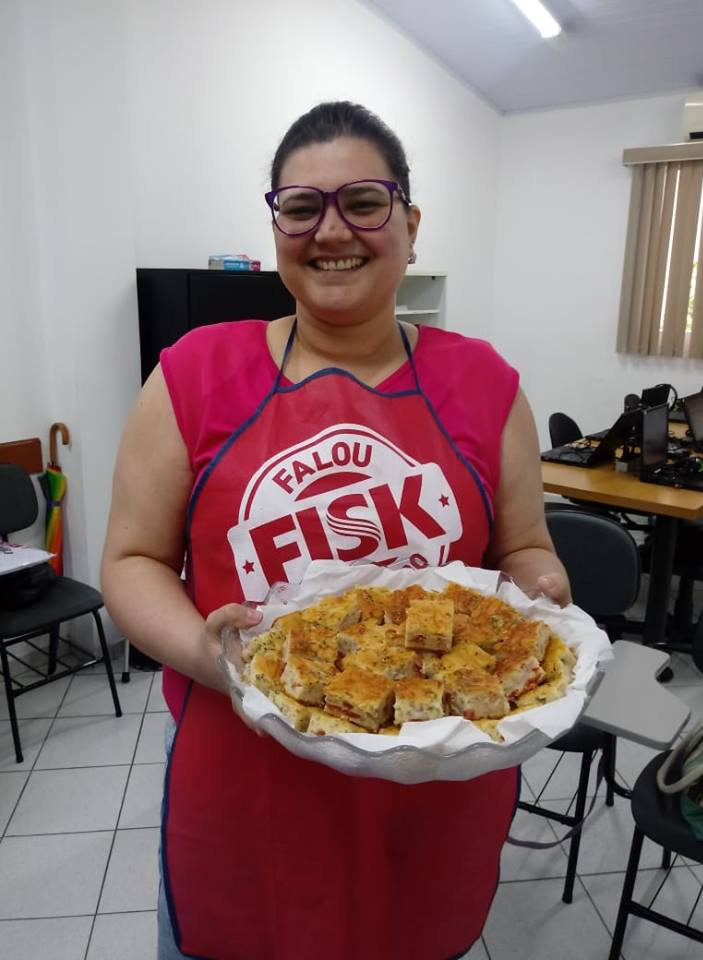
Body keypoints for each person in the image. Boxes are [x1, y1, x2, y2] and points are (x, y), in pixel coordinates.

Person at [102, 101, 570, 960]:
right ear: (275, 225)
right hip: (246, 774)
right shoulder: (195, 372)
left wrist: (541, 589)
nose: (331, 231)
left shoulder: (485, 383)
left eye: (363, 201)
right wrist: (217, 660)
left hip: (435, 778)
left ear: (410, 224)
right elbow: (130, 561)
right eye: (300, 207)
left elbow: (524, 545)